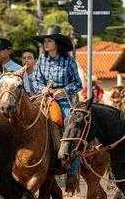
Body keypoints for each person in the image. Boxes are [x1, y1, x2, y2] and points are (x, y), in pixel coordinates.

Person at [32, 26, 82, 190]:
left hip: (64, 101)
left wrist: (63, 91)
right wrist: (42, 89)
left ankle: (72, 172)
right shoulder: (41, 60)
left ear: (57, 44)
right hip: (45, 98)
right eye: (45, 41)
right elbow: (35, 81)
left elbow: (78, 84)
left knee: (71, 128)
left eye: (49, 41)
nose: (45, 43)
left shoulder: (69, 61)